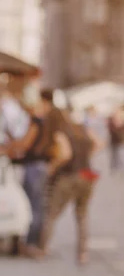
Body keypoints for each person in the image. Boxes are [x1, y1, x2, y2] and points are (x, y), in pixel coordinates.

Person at [0, 89, 61, 257]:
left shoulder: (38, 121)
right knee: (37, 204)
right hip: (40, 165)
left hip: (35, 166)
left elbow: (26, 143)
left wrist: (10, 148)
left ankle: (32, 244)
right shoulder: (49, 120)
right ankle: (33, 243)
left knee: (33, 205)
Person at [38, 111, 103, 264]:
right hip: (86, 174)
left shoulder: (62, 132)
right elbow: (100, 143)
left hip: (69, 176)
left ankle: (43, 247)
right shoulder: (84, 129)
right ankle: (82, 253)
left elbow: (65, 154)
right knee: (82, 215)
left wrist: (52, 168)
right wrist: (87, 157)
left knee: (52, 213)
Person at [108, 105, 124, 173]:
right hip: (115, 140)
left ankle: (118, 166)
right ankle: (115, 166)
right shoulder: (111, 119)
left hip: (119, 140)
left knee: (120, 152)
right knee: (115, 153)